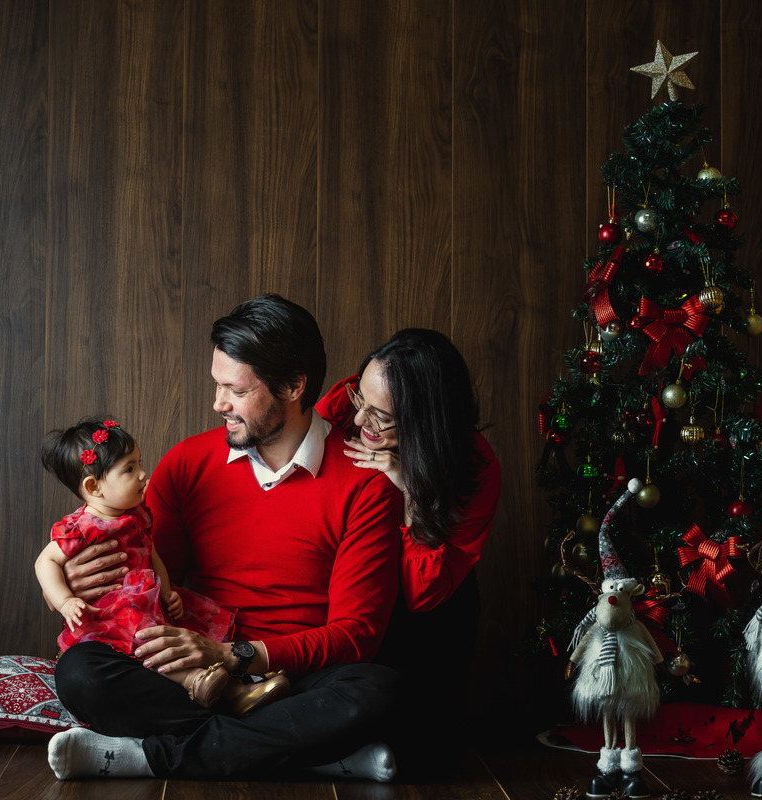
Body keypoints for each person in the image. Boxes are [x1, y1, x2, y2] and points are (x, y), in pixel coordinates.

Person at [46, 294, 405, 782]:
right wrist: (77, 579)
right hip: (194, 677)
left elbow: (355, 634)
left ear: (294, 386)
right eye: (217, 386)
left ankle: (152, 757)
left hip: (294, 676)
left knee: (377, 690)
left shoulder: (365, 483)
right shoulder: (186, 465)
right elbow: (144, 584)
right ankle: (314, 754)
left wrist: (240, 655)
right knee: (80, 671)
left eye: (234, 390)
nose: (218, 404)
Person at [314, 327, 501, 769]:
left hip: (430, 605)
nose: (360, 422)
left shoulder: (474, 465)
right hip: (351, 571)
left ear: (426, 419)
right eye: (362, 402)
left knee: (420, 751)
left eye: (381, 416)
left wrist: (407, 496)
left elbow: (423, 595)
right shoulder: (352, 403)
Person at [35, 417, 237, 708]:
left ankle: (225, 685)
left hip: (148, 605)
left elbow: (153, 557)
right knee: (143, 639)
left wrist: (167, 592)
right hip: (112, 617)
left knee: (174, 635)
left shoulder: (138, 515)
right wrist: (65, 600)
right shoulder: (83, 528)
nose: (144, 474)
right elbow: (45, 563)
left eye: (140, 463)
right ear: (94, 487)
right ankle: (193, 680)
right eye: (130, 469)